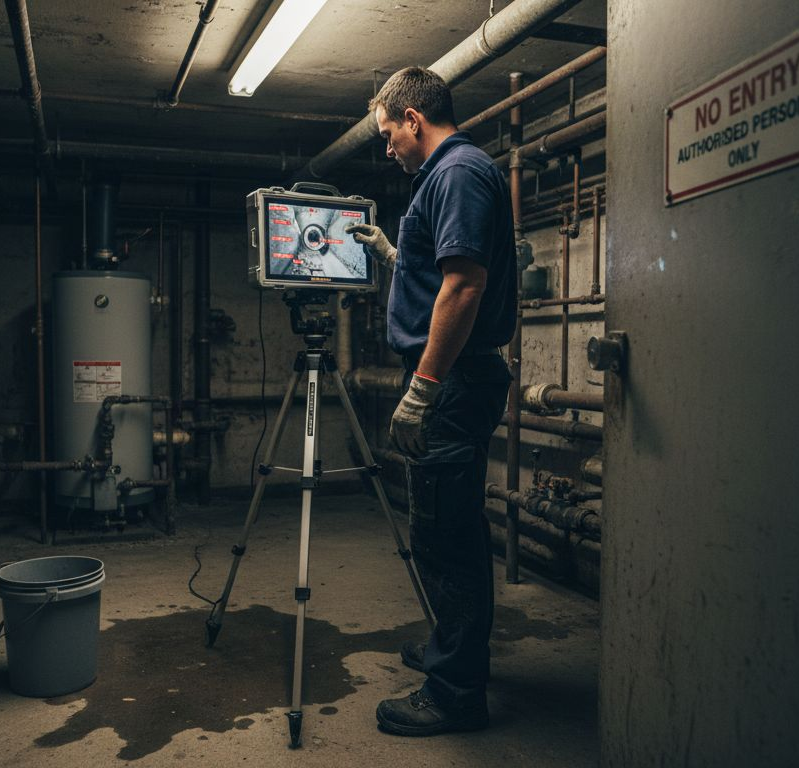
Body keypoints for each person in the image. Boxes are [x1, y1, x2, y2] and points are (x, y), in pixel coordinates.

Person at [344, 66, 516, 737]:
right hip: (457, 379)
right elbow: (441, 272)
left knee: (443, 534)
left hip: (452, 382)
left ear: (413, 119)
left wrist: (422, 390)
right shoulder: (450, 177)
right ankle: (456, 647)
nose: (388, 148)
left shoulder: (457, 172)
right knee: (452, 526)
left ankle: (453, 692)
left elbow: (464, 287)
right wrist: (395, 255)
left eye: (389, 135)